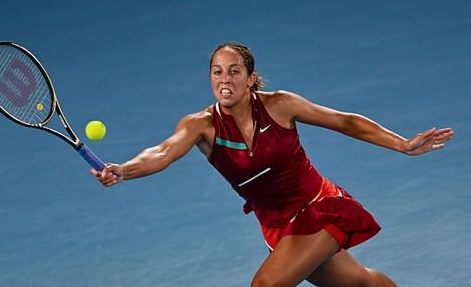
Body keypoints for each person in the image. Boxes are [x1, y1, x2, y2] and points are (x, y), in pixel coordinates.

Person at [91, 42, 453, 287]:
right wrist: (125, 169)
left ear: (250, 78)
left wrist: (402, 145)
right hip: (277, 225)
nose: (224, 79)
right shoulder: (199, 125)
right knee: (361, 283)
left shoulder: (280, 104)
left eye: (234, 71)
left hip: (319, 208)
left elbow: (344, 121)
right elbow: (163, 152)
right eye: (217, 72)